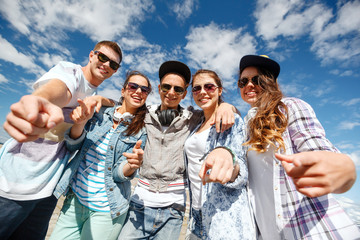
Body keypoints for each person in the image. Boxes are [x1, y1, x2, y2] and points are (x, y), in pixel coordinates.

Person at [0, 40, 122, 240]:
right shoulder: (70, 72)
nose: (106, 65)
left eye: (113, 64)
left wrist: (101, 100)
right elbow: (60, 89)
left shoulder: (94, 95)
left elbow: (116, 102)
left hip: (48, 189)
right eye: (102, 57)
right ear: (91, 55)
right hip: (14, 183)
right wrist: (40, 100)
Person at [238, 54, 360, 239]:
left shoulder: (288, 107)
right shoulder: (244, 126)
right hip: (267, 232)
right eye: (243, 81)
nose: (249, 85)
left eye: (257, 79)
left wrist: (343, 169)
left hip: (311, 229)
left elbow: (319, 148)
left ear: (269, 82)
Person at [118, 61, 236, 240]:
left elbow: (218, 112)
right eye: (166, 87)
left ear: (184, 94)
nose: (171, 92)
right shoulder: (143, 115)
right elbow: (119, 106)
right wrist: (98, 99)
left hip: (174, 210)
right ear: (159, 88)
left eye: (178, 89)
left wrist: (228, 106)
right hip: (139, 204)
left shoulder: (194, 118)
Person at [50, 71, 151, 240]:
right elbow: (72, 145)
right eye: (133, 86)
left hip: (107, 209)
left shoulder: (142, 130)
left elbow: (118, 174)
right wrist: (79, 124)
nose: (138, 91)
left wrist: (132, 166)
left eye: (144, 89)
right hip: (75, 200)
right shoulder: (100, 113)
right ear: (123, 90)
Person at [184, 69, 255, 239]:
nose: (202, 92)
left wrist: (230, 162)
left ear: (219, 90)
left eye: (209, 87)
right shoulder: (195, 125)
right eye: (196, 88)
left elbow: (242, 170)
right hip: (196, 213)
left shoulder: (231, 120)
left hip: (224, 217)